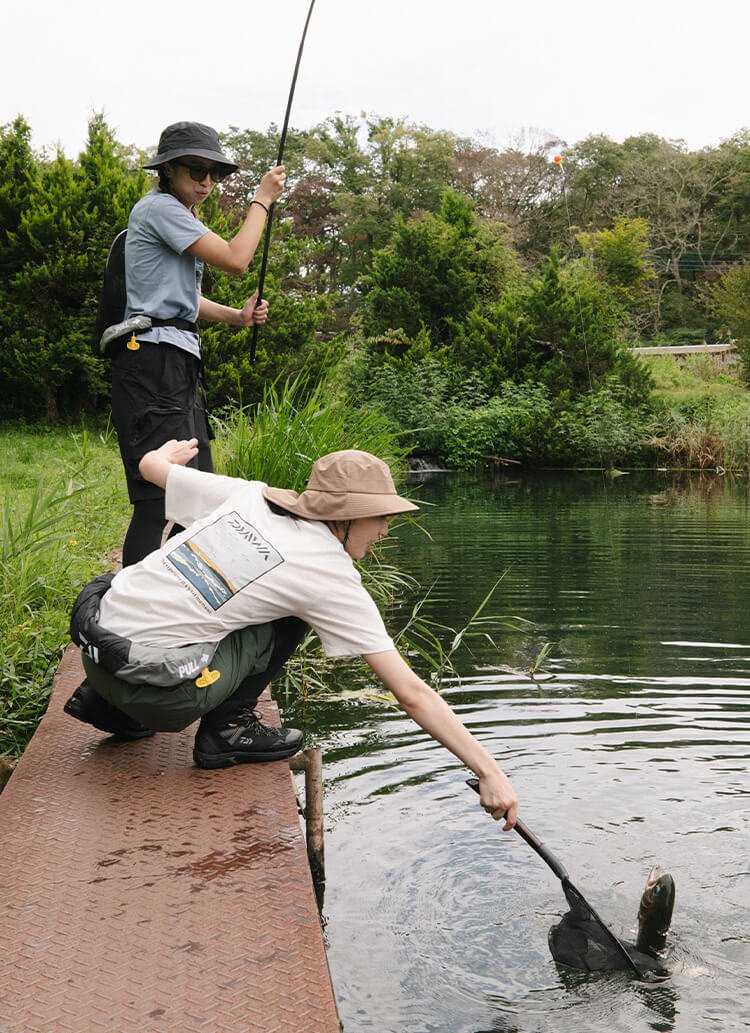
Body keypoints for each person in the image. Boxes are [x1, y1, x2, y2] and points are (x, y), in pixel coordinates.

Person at [64, 444, 518, 828]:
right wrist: (489, 770)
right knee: (288, 618)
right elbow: (412, 693)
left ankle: (108, 705)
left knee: (223, 600)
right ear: (349, 515)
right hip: (161, 697)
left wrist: (169, 454)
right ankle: (227, 732)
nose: (384, 531)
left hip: (98, 657)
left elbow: (150, 467)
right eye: (381, 518)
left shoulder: (252, 497)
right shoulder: (327, 575)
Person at [112, 120, 286, 566]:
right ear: (168, 169)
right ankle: (127, 614)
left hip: (175, 361)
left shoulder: (182, 217)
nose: (207, 182)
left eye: (215, 174)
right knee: (161, 495)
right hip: (152, 363)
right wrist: (262, 199)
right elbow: (236, 259)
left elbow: (179, 301)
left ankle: (177, 608)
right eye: (196, 170)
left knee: (194, 492)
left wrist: (237, 316)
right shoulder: (160, 210)